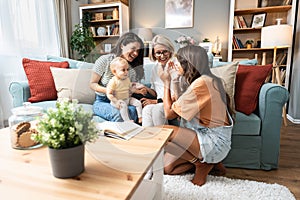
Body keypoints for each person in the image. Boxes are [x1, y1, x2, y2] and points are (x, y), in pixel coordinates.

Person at [159, 45, 233, 186]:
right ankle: (208, 162)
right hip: (201, 137)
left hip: (213, 142)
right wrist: (173, 80)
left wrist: (166, 82)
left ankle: (201, 164)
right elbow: (179, 103)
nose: (175, 65)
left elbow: (169, 114)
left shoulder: (202, 84)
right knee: (167, 168)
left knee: (162, 133)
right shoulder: (201, 80)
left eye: (179, 61)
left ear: (188, 63)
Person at [90, 32, 156, 122]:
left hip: (124, 100)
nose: (136, 53)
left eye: (138, 50)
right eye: (133, 49)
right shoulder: (105, 60)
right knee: (119, 114)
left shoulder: (131, 70)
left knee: (132, 112)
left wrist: (139, 90)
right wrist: (110, 91)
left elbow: (129, 88)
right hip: (103, 101)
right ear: (122, 46)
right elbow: (92, 84)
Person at [141, 34, 178, 127]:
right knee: (146, 110)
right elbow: (155, 92)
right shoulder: (155, 68)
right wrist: (145, 88)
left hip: (173, 103)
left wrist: (155, 102)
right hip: (161, 102)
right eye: (158, 53)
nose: (162, 56)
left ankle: (164, 139)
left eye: (165, 52)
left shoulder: (177, 66)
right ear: (153, 54)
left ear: (170, 51)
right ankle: (149, 140)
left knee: (158, 109)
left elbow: (178, 95)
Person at [106, 57, 143, 124]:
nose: (126, 72)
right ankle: (127, 120)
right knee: (123, 105)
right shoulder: (113, 81)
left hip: (127, 99)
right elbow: (109, 94)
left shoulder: (127, 79)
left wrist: (139, 91)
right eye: (123, 70)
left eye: (127, 69)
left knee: (138, 102)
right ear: (114, 72)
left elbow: (130, 89)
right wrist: (116, 101)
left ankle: (140, 117)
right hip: (118, 101)